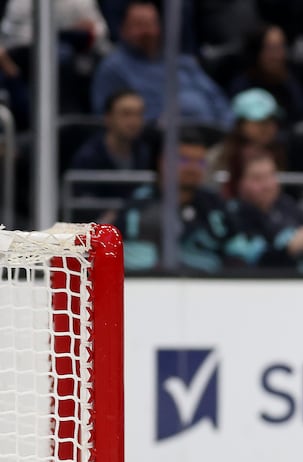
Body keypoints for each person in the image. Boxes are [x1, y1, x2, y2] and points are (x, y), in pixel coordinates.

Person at [90, 0, 230, 127]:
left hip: (210, 136)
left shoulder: (182, 62)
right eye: (139, 25)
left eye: (150, 24)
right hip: (159, 142)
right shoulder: (113, 68)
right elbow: (109, 118)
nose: (146, 32)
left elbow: (217, 98)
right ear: (123, 30)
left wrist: (227, 129)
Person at [118, 125, 230, 273]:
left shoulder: (214, 205)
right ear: (162, 161)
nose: (192, 168)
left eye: (200, 162)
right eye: (183, 160)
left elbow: (233, 250)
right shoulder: (140, 204)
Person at [221, 151, 303, 272]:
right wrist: (291, 249)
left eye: (271, 175)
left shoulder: (289, 207)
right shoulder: (232, 216)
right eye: (257, 178)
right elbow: (245, 265)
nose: (267, 185)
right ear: (239, 183)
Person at [67, 88, 153, 216]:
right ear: (108, 118)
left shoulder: (145, 152)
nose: (134, 121)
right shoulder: (88, 157)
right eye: (126, 114)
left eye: (139, 114)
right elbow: (82, 204)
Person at [208, 87, 287, 193]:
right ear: (240, 125)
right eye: (260, 122)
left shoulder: (280, 152)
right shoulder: (219, 156)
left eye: (272, 120)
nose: (268, 127)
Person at [227, 22, 303, 123]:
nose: (278, 56)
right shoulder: (241, 86)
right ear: (256, 52)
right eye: (272, 49)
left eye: (281, 47)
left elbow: (301, 116)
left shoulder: (291, 78)